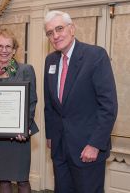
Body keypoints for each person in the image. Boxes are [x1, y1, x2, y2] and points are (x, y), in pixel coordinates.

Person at [43, 10, 118, 193]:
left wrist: (95, 144)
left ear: (72, 28)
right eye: (50, 32)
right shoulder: (50, 61)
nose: (55, 35)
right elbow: (50, 104)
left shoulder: (95, 56)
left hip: (87, 149)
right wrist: (51, 136)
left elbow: (108, 106)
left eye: (59, 29)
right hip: (60, 149)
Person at [0, 28, 38, 193]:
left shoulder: (25, 70)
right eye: (0, 46)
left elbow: (32, 100)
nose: (3, 50)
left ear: (14, 50)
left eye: (8, 46)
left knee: (22, 180)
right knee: (3, 179)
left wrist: (24, 127)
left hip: (19, 135)